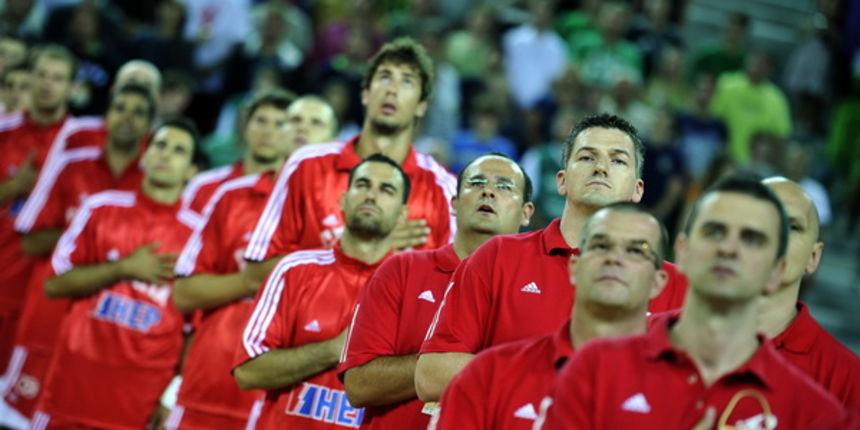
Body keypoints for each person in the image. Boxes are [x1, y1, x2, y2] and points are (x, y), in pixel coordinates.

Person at [415, 113, 689, 401]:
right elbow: (431, 375)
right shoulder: (498, 258)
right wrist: (562, 374)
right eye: (586, 157)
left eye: (618, 160)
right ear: (561, 181)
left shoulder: (676, 285)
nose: (601, 168)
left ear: (638, 190)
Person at [537, 175, 844, 429]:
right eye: (715, 231)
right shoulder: (595, 367)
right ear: (681, 251)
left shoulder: (818, 415)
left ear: (777, 269)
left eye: (752, 239)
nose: (729, 248)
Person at [164, 95, 336, 429]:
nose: (302, 129)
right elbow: (183, 294)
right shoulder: (231, 196)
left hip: (288, 399)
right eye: (294, 120)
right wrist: (253, 278)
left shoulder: (342, 217)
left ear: (333, 143)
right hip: (210, 383)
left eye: (316, 124)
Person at [30, 117, 204, 429]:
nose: (165, 154)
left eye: (179, 150)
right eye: (160, 145)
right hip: (71, 389)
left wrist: (170, 397)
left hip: (139, 401)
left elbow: (196, 328)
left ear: (192, 171)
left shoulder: (199, 235)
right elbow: (55, 285)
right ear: (145, 155)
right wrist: (123, 268)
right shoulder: (100, 208)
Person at [338, 153, 535, 429]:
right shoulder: (400, 270)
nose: (487, 191)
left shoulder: (539, 285)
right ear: (454, 204)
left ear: (527, 212)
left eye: (504, 186)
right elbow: (358, 385)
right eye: (476, 183)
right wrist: (443, 367)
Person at [431, 202, 669, 430]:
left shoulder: (685, 390)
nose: (614, 258)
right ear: (574, 267)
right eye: (600, 246)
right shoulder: (488, 374)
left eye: (636, 251)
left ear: (658, 282)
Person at [242, 37, 456, 289]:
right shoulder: (307, 165)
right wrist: (364, 246)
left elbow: (450, 292)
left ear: (422, 106)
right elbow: (255, 274)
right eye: (385, 77)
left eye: (407, 81)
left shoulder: (443, 188)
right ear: (365, 94)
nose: (392, 90)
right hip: (307, 324)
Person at [3, 84, 155, 422]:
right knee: (14, 418)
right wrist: (94, 239)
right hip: (48, 318)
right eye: (121, 108)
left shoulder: (153, 181)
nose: (127, 117)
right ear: (106, 117)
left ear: (149, 125)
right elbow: (30, 241)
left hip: (105, 338)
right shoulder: (69, 165)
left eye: (138, 111)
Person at [233, 154, 409, 428]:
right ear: (342, 200)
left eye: (386, 190)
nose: (371, 196)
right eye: (362, 185)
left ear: (403, 215)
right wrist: (333, 349)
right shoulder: (295, 270)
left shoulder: (413, 288)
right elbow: (247, 371)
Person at [0, 45, 76, 382]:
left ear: (72, 87)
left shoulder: (83, 143)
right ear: (29, 77)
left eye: (58, 78)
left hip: (47, 289)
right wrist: (13, 188)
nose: (47, 84)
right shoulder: (4, 130)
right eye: (42, 75)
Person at [760, 177, 860, 407]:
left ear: (814, 257)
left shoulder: (848, 380)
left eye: (793, 226)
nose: (777, 237)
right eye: (762, 221)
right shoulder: (668, 326)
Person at [181, 92, 336, 219]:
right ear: (245, 126)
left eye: (279, 124)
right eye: (261, 121)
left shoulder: (299, 199)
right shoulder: (204, 186)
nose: (267, 132)